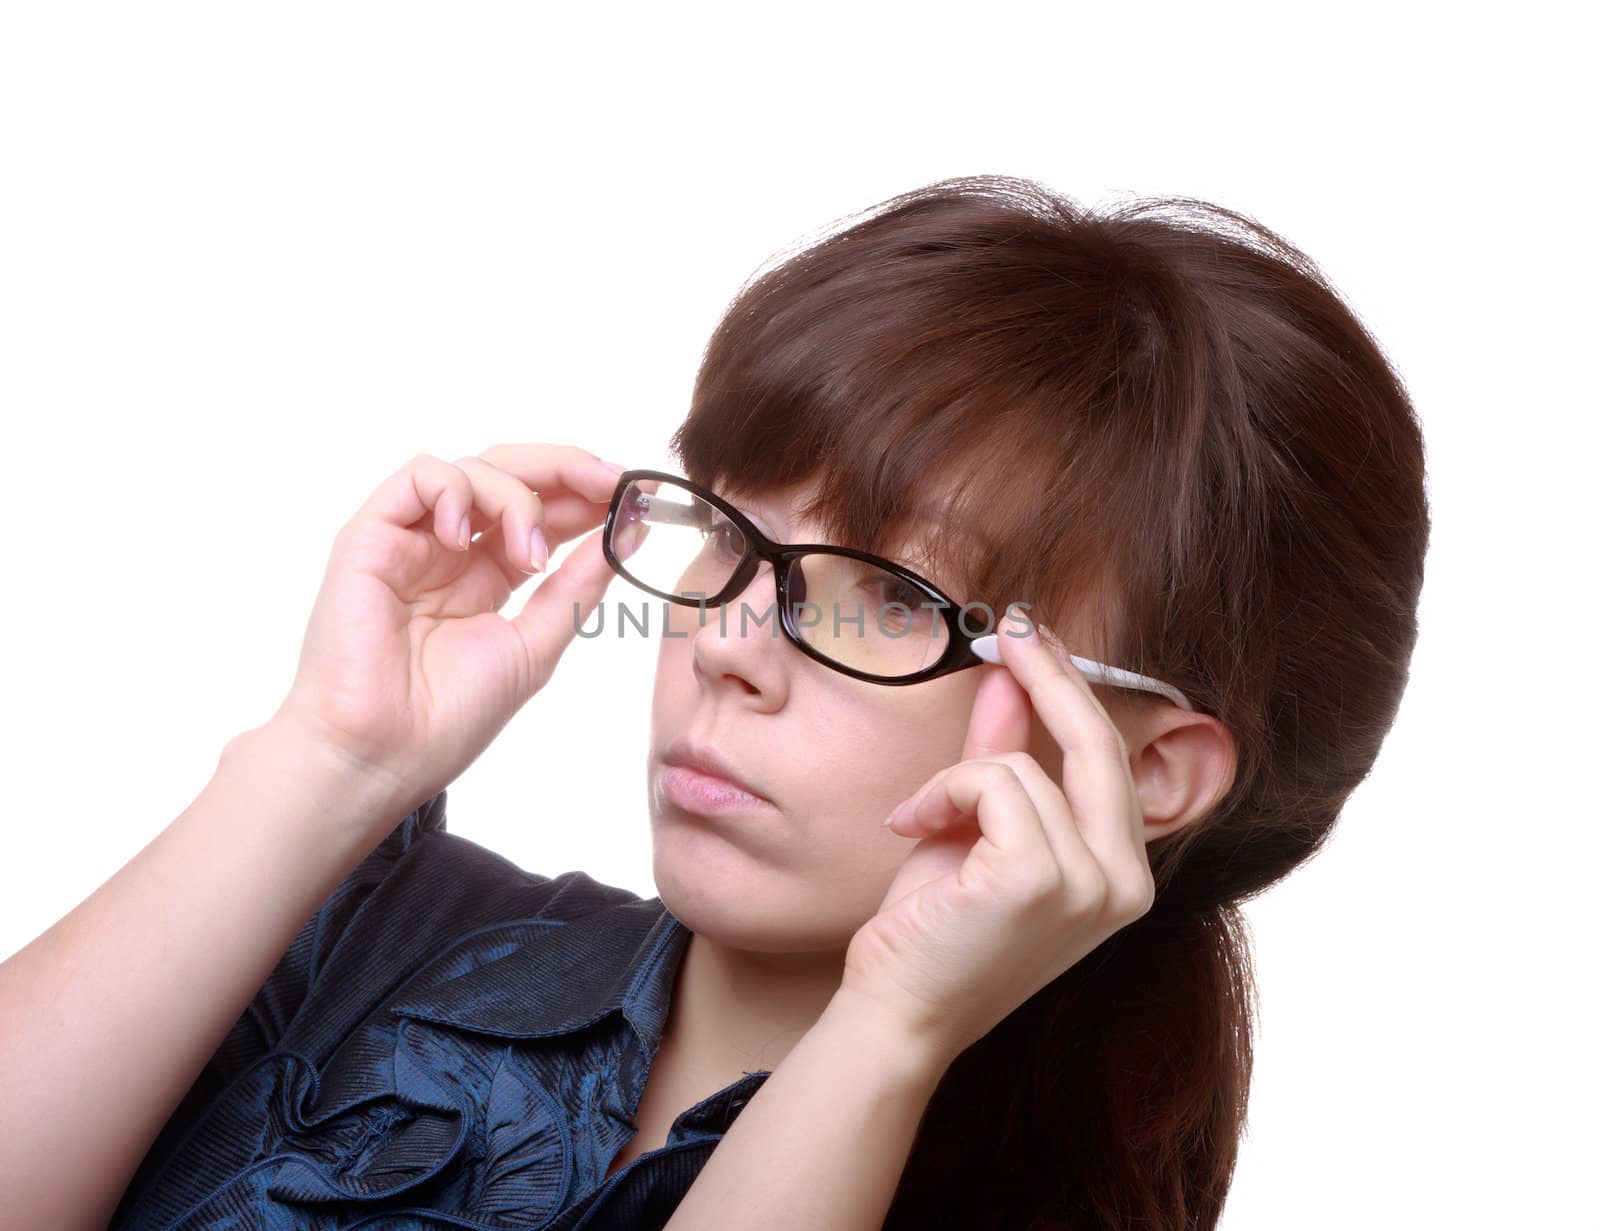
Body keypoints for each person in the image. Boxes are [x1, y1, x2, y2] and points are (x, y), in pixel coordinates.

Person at [0, 173, 1430, 1231]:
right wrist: (322, 763)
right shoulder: (385, 913)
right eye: (729, 536)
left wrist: (884, 1036)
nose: (728, 644)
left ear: (1149, 766)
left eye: (882, 594)